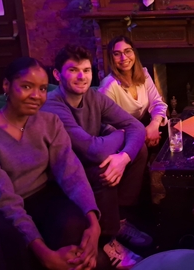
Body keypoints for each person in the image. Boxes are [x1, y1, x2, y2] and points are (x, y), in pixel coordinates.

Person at [41, 45, 149, 269]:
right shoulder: (52, 105)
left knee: (139, 150)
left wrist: (124, 157)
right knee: (103, 165)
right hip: (61, 175)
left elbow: (137, 127)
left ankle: (119, 220)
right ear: (57, 75)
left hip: (89, 161)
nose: (82, 76)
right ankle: (108, 240)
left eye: (86, 70)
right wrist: (120, 135)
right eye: (73, 70)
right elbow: (93, 150)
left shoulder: (94, 97)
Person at [0, 57, 101, 270]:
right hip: (7, 206)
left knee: (75, 227)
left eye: (42, 89)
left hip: (44, 195)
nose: (36, 96)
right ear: (6, 85)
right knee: (14, 244)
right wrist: (45, 255)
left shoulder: (50, 122)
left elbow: (71, 172)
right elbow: (4, 198)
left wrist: (94, 222)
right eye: (26, 87)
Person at [99, 36, 168, 148]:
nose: (124, 58)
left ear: (134, 53)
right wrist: (142, 135)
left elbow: (157, 103)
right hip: (123, 135)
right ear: (111, 58)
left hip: (144, 126)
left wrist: (154, 125)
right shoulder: (108, 86)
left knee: (172, 131)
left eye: (128, 51)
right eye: (117, 54)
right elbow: (108, 127)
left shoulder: (143, 74)